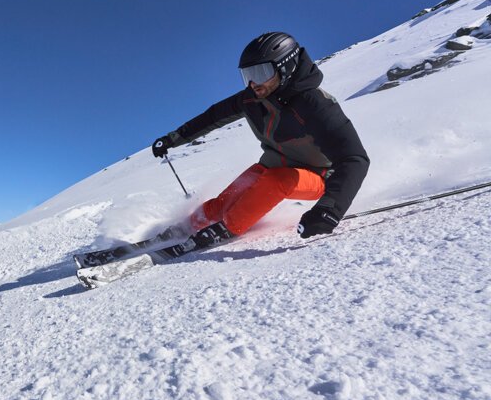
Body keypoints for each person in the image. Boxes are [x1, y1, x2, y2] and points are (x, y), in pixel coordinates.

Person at [151, 32, 369, 248]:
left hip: (319, 176)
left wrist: (329, 209)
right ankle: (186, 227)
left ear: (286, 67)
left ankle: (227, 228)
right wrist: (173, 139)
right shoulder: (252, 98)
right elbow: (213, 116)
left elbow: (354, 159)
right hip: (275, 164)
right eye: (248, 75)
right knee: (227, 200)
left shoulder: (315, 104)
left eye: (262, 72)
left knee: (276, 181)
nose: (254, 83)